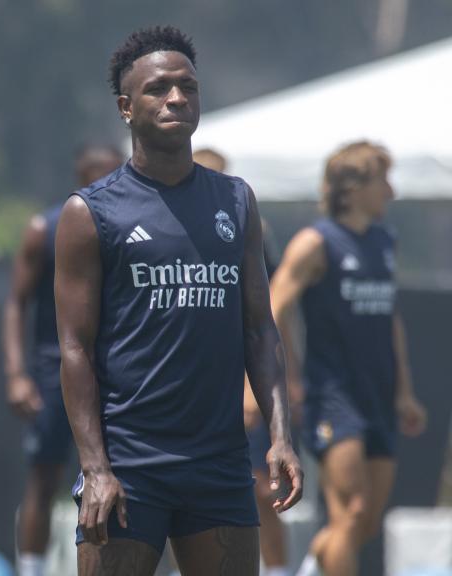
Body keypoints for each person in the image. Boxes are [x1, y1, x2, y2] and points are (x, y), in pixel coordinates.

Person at [56, 27, 303, 575]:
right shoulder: (91, 212)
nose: (176, 98)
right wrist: (95, 466)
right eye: (158, 89)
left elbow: (260, 330)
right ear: (125, 107)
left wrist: (281, 437)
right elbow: (74, 346)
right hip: (128, 464)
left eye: (188, 87)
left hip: (218, 462)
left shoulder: (235, 200)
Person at [271, 141, 426, 576]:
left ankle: (317, 561)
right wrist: (287, 374)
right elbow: (272, 306)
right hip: (334, 396)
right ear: (354, 187)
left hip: (378, 394)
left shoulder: (383, 240)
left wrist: (405, 391)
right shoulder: (316, 242)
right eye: (383, 181)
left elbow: (389, 317)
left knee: (366, 521)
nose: (391, 192)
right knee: (351, 511)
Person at [3, 143, 122, 576]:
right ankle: (31, 569)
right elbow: (16, 303)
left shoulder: (130, 224)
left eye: (115, 174)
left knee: (113, 477)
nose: (107, 185)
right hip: (54, 370)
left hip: (111, 371)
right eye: (99, 176)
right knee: (43, 477)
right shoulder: (47, 227)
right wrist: (16, 373)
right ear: (82, 177)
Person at [195, 147, 291, 576]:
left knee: (259, 486)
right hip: (188, 383)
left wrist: (262, 387)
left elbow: (268, 313)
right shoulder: (164, 223)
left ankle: (276, 569)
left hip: (240, 377)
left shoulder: (245, 222)